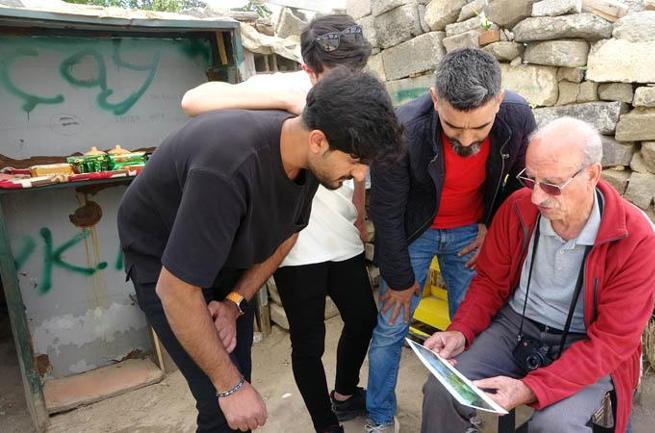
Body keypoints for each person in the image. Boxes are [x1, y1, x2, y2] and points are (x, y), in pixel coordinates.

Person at [117, 68, 402, 433]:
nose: (360, 176)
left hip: (227, 256)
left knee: (237, 374)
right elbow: (175, 290)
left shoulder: (309, 161)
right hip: (165, 263)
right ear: (318, 141)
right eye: (355, 161)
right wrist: (229, 386)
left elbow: (287, 235)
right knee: (225, 400)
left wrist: (236, 300)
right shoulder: (228, 168)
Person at [181, 14, 376, 433]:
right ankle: (326, 425)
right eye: (338, 76)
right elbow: (193, 100)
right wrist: (293, 103)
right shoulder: (292, 89)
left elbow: (361, 170)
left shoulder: (361, 99)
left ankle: (343, 393)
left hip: (342, 235)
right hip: (292, 244)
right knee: (309, 341)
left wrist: (359, 216)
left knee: (363, 318)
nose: (350, 85)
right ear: (310, 69)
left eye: (356, 73)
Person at [420, 117, 655, 433]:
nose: (536, 197)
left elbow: (611, 343)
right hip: (515, 326)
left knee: (556, 426)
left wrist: (532, 388)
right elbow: (489, 283)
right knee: (441, 390)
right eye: (529, 179)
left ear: (592, 175)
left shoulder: (636, 239)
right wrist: (461, 331)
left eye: (551, 185)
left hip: (586, 343)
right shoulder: (519, 208)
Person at [366, 48, 536, 433]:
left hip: (470, 235)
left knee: (470, 329)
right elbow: (387, 212)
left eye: (479, 127)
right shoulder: (401, 129)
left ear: (498, 100)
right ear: (434, 98)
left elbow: (523, 181)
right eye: (453, 126)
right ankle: (378, 417)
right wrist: (398, 276)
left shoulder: (518, 115)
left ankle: (464, 412)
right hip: (414, 235)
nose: (466, 138)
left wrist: (492, 224)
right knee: (391, 327)